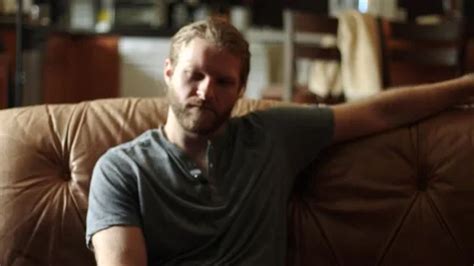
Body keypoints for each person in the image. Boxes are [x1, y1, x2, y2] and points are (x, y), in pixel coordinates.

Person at [86, 17, 474, 266]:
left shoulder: (272, 134)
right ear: (168, 73)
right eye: (194, 75)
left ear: (240, 90)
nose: (205, 92)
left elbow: (378, 113)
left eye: (223, 82)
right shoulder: (121, 169)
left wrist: (467, 86)